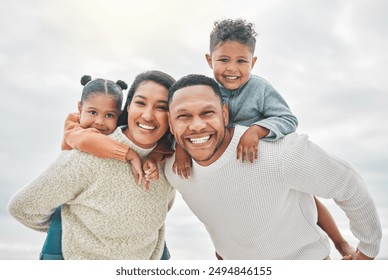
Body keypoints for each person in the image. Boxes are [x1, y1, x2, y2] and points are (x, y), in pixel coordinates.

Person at [175, 18, 355, 258]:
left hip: (262, 159)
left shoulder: (260, 89)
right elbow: (184, 122)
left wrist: (257, 130)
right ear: (209, 60)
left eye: (242, 61)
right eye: (223, 60)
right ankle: (225, 255)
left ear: (253, 62)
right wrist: (179, 148)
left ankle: (341, 243)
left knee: (305, 197)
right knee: (227, 209)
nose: (232, 68)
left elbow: (287, 119)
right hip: (230, 168)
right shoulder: (204, 91)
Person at [164, 74, 382, 260]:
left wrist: (367, 252)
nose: (197, 125)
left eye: (207, 113)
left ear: (224, 114)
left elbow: (348, 183)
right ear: (171, 123)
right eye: (183, 116)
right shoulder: (173, 170)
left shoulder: (278, 153)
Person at [8, 71, 176, 259]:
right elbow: (23, 207)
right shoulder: (86, 158)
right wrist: (74, 231)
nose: (147, 115)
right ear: (128, 107)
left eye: (161, 107)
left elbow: (160, 213)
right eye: (140, 103)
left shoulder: (167, 164)